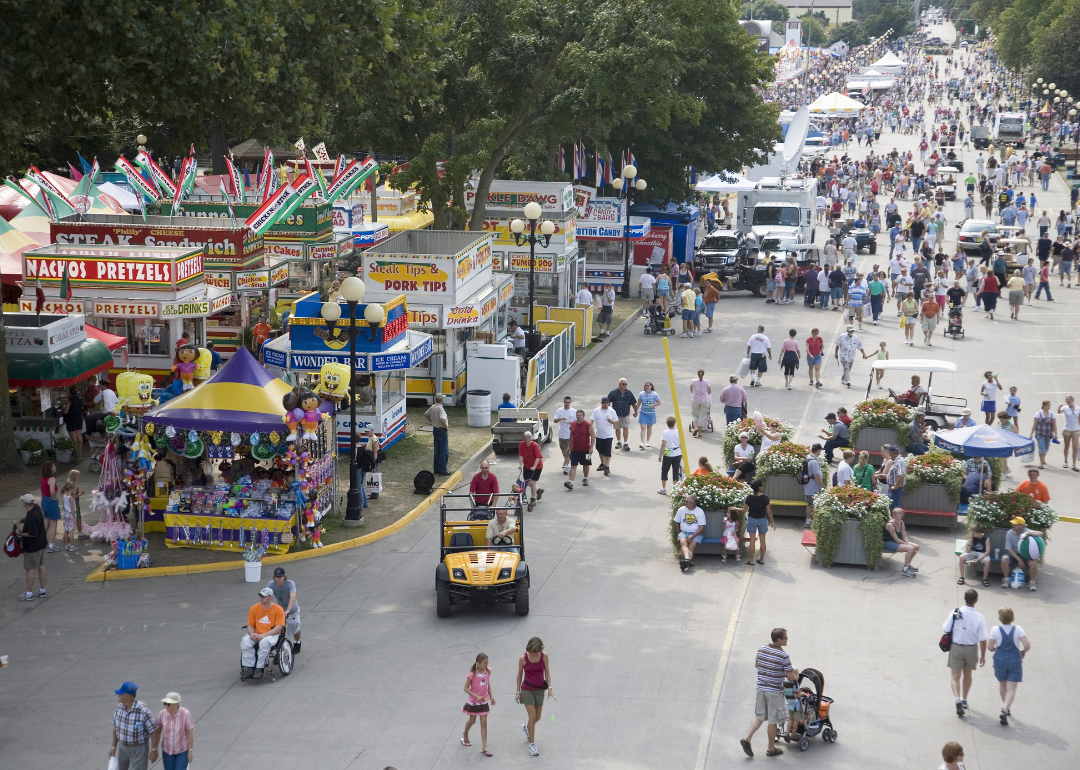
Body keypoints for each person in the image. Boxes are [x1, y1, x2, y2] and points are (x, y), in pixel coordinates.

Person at [741, 628, 798, 758]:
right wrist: (794, 677)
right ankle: (771, 748)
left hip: (761, 688)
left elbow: (757, 664)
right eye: (785, 638)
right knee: (773, 720)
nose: (787, 639)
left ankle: (747, 738)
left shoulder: (762, 649)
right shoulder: (784, 656)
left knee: (759, 716)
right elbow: (790, 677)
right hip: (775, 692)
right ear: (779, 640)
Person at [944, 589, 988, 718]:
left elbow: (946, 628)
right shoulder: (980, 617)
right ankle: (964, 699)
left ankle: (957, 698)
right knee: (967, 675)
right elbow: (983, 639)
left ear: (964, 598)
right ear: (976, 600)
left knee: (955, 676)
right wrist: (983, 656)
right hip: (971, 649)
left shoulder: (956, 612)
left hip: (956, 647)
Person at [989, 606, 1030, 726]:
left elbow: (990, 647)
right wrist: (1023, 652)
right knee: (1012, 688)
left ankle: (1006, 707)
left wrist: (997, 649)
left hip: (1000, 659)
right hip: (1014, 660)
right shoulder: (1018, 629)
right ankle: (1005, 709)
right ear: (1012, 617)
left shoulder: (995, 630)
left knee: (1002, 684)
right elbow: (1027, 645)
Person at [516, 636, 556, 757]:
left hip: (539, 691)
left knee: (537, 717)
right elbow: (519, 675)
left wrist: (550, 688)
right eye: (535, 651)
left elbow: (547, 672)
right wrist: (517, 692)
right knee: (532, 716)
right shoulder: (523, 658)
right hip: (527, 690)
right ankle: (532, 744)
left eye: (539, 651)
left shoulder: (544, 656)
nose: (537, 653)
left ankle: (528, 728)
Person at [110, 682, 158, 770]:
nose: (118, 696)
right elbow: (116, 728)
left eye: (120, 694)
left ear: (127, 697)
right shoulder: (119, 708)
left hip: (139, 749)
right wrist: (113, 747)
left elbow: (154, 731)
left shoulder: (143, 710)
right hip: (122, 748)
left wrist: (154, 750)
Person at [241, 587, 286, 680]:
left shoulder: (278, 609)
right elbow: (250, 625)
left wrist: (264, 635)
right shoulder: (254, 608)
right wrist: (252, 634)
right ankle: (249, 668)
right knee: (245, 641)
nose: (261, 597)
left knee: (264, 642)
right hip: (257, 633)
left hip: (271, 635)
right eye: (260, 595)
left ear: (270, 597)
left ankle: (259, 668)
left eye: (264, 596)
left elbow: (279, 627)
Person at [15, 493, 47, 601]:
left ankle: (29, 594)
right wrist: (20, 520)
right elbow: (27, 517)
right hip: (42, 543)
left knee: (30, 568)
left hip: (32, 547)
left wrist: (19, 533)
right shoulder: (36, 508)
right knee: (41, 565)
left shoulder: (32, 517)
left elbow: (32, 534)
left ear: (24, 503)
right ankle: (43, 590)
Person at [461, 652, 495, 757]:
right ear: (478, 663)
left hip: (484, 701)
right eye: (485, 663)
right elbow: (465, 688)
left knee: (484, 722)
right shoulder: (472, 674)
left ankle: (484, 747)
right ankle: (465, 733)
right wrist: (476, 695)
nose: (486, 665)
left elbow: (487, 684)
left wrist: (491, 696)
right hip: (474, 702)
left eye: (487, 663)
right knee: (472, 720)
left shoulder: (488, 671)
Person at [1000, 515, 1045, 592]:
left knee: (1033, 563)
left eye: (1015, 524)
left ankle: (1032, 583)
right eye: (1013, 524)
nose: (1013, 525)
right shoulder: (1010, 533)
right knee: (1004, 559)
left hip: (1026, 555)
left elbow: (1041, 533)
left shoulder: (1026, 531)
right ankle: (1006, 580)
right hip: (1014, 554)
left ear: (1021, 526)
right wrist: (1019, 560)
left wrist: (1027, 533)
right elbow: (1009, 550)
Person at [153, 692, 194, 770]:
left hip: (182, 750)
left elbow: (190, 733)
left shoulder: (185, 714)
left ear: (176, 704)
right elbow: (157, 731)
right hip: (167, 751)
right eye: (165, 703)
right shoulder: (162, 714)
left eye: (168, 704)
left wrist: (190, 751)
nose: (166, 706)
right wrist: (154, 749)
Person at [739, 479, 775, 565]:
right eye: (761, 485)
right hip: (762, 520)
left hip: (751, 519)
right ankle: (761, 559)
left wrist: (735, 508)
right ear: (759, 487)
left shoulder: (749, 498)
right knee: (762, 540)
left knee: (752, 540)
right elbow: (769, 511)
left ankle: (751, 560)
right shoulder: (765, 498)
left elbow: (744, 510)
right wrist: (773, 522)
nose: (762, 487)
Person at [267, 567, 302, 654]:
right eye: (276, 577)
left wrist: (288, 610)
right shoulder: (271, 584)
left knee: (295, 628)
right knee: (278, 628)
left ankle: (297, 642)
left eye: (280, 576)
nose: (278, 579)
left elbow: (293, 596)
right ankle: (279, 649)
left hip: (292, 609)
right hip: (280, 609)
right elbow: (267, 596)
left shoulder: (290, 583)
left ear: (284, 577)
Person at [884, 508, 920, 577]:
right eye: (897, 513)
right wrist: (907, 544)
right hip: (889, 543)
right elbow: (896, 539)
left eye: (901, 513)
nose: (900, 515)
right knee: (910, 549)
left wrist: (908, 543)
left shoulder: (901, 522)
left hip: (897, 542)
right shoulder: (890, 525)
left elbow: (904, 536)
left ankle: (908, 565)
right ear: (893, 515)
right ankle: (905, 570)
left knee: (916, 547)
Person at [673, 494, 705, 570]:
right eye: (685, 501)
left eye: (687, 502)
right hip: (684, 532)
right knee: (683, 543)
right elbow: (676, 522)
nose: (685, 503)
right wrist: (679, 533)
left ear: (692, 504)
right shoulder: (681, 510)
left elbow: (701, 527)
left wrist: (692, 536)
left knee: (691, 547)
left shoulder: (700, 511)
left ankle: (686, 562)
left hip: (696, 534)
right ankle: (688, 560)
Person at [565, 409, 594, 490]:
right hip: (574, 450)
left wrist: (591, 448)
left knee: (586, 465)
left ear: (583, 416)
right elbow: (571, 436)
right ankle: (570, 482)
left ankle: (585, 478)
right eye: (577, 415)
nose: (578, 417)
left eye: (580, 415)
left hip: (586, 450)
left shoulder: (588, 425)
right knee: (573, 465)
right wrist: (570, 446)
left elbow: (593, 436)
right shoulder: (573, 424)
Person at [591, 396, 619, 476]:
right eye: (604, 402)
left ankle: (606, 467)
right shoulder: (596, 410)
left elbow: (616, 421)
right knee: (599, 450)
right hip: (599, 435)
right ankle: (602, 463)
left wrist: (612, 421)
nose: (605, 404)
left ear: (609, 403)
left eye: (607, 402)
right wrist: (589, 426)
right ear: (601, 403)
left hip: (608, 435)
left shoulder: (612, 411)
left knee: (607, 452)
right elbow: (592, 419)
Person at [608, 377, 638, 450]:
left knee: (625, 428)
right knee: (617, 428)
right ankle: (619, 442)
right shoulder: (613, 392)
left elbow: (634, 403)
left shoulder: (629, 393)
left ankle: (625, 443)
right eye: (623, 384)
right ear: (619, 384)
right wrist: (607, 412)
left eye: (625, 384)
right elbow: (608, 402)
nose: (624, 385)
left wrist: (635, 411)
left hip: (626, 414)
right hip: (616, 414)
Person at [958, 523, 992, 587]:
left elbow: (988, 551)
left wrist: (978, 559)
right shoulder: (972, 537)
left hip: (982, 553)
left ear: (978, 533)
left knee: (987, 561)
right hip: (972, 551)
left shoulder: (986, 538)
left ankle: (985, 579)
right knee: (961, 557)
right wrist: (970, 539)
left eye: (973, 533)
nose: (972, 534)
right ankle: (962, 577)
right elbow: (967, 550)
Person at [518, 431, 544, 510]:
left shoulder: (535, 445)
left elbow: (538, 457)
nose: (530, 439)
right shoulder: (522, 444)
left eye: (530, 437)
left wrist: (534, 466)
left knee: (532, 483)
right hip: (527, 466)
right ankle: (538, 490)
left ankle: (533, 499)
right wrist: (520, 464)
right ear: (524, 439)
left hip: (537, 466)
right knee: (527, 483)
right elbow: (521, 455)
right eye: (528, 437)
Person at [425, 394, 450, 475]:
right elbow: (443, 419)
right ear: (442, 399)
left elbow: (426, 414)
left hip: (435, 429)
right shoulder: (441, 409)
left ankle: (436, 469)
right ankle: (443, 470)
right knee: (444, 451)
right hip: (441, 430)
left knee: (437, 450)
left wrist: (432, 421)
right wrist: (446, 426)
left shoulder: (433, 407)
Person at [657, 416, 683, 495]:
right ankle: (675, 489)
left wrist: (660, 455)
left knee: (664, 470)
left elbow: (663, 444)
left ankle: (663, 488)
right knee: (675, 472)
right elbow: (681, 443)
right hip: (677, 452)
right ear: (674, 423)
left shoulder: (665, 432)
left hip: (668, 451)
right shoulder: (678, 431)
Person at [1028, 401, 1057, 468]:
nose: (1048, 407)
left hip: (1048, 433)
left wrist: (1056, 434)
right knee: (1042, 448)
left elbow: (1054, 425)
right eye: (1047, 405)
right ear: (1043, 406)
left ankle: (1043, 459)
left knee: (1046, 447)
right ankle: (1041, 463)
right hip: (1040, 433)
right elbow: (1035, 425)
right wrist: (1031, 434)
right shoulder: (1038, 414)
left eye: (1049, 405)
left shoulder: (1052, 414)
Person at [39, 460, 60, 552]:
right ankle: (51, 545)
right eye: (53, 465)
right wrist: (55, 498)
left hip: (44, 500)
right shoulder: (52, 479)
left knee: (46, 522)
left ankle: (41, 541)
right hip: (51, 501)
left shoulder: (43, 479)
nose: (55, 467)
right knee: (53, 525)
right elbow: (52, 491)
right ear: (50, 468)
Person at [552, 395, 575, 471]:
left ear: (570, 402)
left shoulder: (573, 411)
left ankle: (565, 465)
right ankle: (566, 461)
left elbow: (577, 421)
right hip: (561, 433)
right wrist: (560, 418)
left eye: (568, 402)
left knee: (568, 450)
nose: (567, 404)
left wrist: (572, 422)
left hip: (570, 434)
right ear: (564, 402)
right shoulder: (560, 410)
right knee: (563, 449)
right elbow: (555, 420)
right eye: (566, 402)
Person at [802, 444, 823, 530]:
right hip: (813, 487)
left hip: (809, 486)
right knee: (811, 504)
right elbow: (816, 475)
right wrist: (821, 485)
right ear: (818, 451)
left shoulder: (808, 457)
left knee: (810, 504)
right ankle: (808, 522)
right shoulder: (814, 461)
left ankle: (809, 521)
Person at [1058, 395, 1080, 470]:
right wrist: (1059, 407)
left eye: (1069, 402)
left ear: (1073, 401)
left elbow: (1079, 419)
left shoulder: (1078, 409)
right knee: (1067, 446)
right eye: (1067, 402)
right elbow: (1059, 411)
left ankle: (1074, 464)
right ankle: (1065, 461)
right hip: (1067, 429)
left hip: (1076, 430)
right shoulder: (1065, 408)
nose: (1068, 403)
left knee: (1075, 447)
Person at [61, 385, 84, 454]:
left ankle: (75, 451)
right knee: (78, 434)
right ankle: (79, 450)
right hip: (79, 418)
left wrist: (63, 408)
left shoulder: (70, 400)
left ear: (70, 392)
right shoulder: (81, 400)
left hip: (72, 419)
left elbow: (65, 411)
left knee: (73, 435)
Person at [689, 370, 711, 436]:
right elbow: (709, 392)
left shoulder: (693, 381)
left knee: (694, 414)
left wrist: (695, 395)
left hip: (695, 400)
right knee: (702, 416)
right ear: (703, 374)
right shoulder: (707, 382)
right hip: (704, 400)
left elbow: (691, 390)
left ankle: (695, 427)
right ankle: (700, 433)